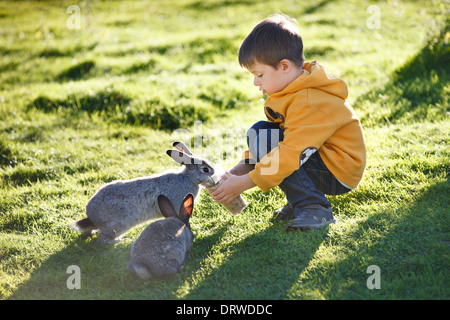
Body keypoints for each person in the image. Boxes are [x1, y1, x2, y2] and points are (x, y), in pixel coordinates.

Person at [211, 13, 366, 231]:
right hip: (321, 158)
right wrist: (239, 171)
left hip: (339, 170)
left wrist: (246, 182)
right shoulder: (291, 90)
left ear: (284, 66)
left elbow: (289, 153)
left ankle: (314, 208)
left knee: (267, 139)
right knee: (261, 132)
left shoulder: (308, 101)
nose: (255, 82)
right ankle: (299, 202)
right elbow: (278, 138)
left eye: (260, 74)